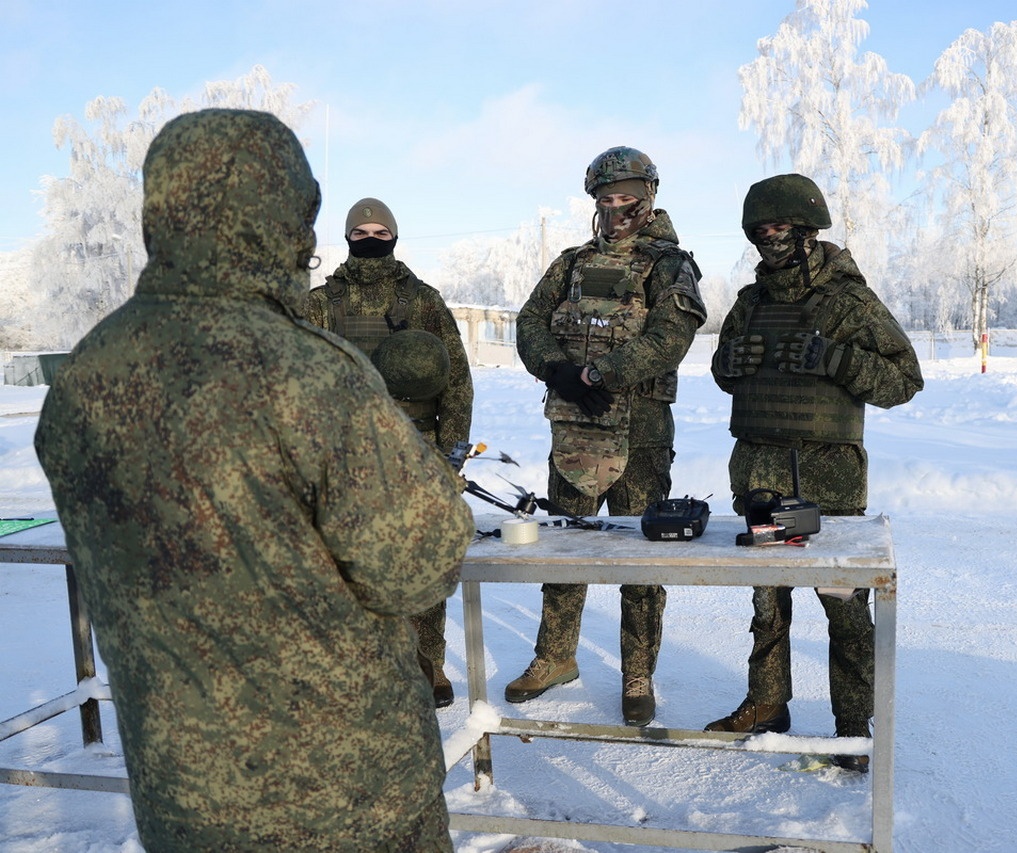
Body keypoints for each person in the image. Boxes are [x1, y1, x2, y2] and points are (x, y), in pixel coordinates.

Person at [34, 109, 473, 850]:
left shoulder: (83, 378)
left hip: (184, 800)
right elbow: (418, 565)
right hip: (346, 801)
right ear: (280, 220)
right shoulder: (309, 373)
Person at [704, 173, 923, 771]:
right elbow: (727, 374)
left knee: (842, 600)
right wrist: (731, 363)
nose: (768, 238)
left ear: (806, 231)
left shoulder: (848, 299)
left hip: (827, 476)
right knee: (767, 598)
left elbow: (904, 379)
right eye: (760, 230)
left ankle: (853, 726)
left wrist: (835, 358)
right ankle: (766, 703)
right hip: (759, 466)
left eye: (779, 227)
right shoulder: (750, 302)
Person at [506, 146, 706, 727]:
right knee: (565, 545)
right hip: (574, 432)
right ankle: (554, 656)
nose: (617, 210)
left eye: (628, 199)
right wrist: (559, 371)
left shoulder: (670, 265)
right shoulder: (570, 264)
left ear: (649, 197)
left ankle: (637, 672)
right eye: (606, 200)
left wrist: (601, 373)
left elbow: (670, 337)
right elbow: (529, 323)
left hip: (639, 433)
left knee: (642, 553)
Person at [305, 196, 473, 708]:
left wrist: (452, 457)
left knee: (421, 566)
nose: (371, 239)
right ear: (349, 237)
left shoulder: (423, 300)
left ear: (394, 236)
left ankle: (430, 666)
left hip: (417, 451)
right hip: (342, 457)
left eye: (380, 231)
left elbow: (458, 381)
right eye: (361, 232)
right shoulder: (318, 303)